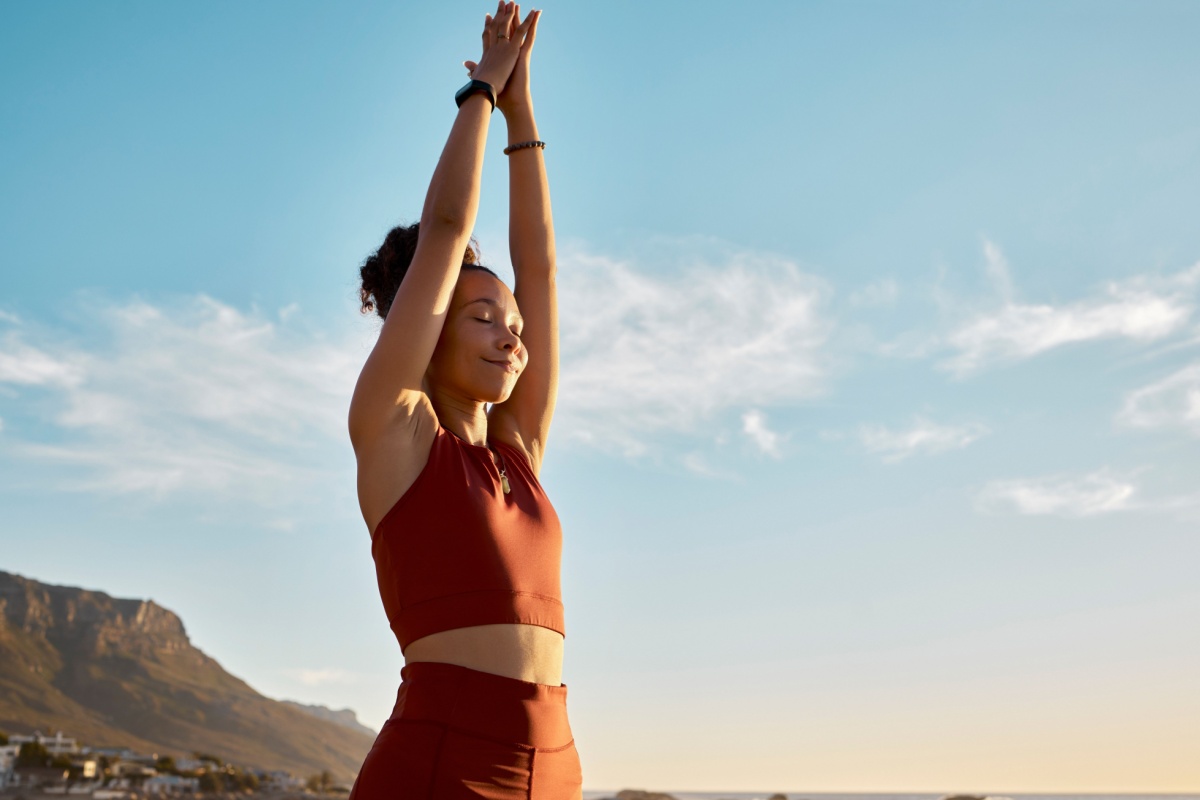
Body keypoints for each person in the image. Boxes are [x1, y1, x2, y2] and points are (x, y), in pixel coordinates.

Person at [346, 3, 581, 797]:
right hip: (442, 765)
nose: (513, 336)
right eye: (482, 318)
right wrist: (483, 90)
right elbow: (447, 228)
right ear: (430, 324)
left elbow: (540, 269)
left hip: (555, 766)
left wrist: (526, 112)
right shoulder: (396, 432)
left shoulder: (521, 450)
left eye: (513, 325)